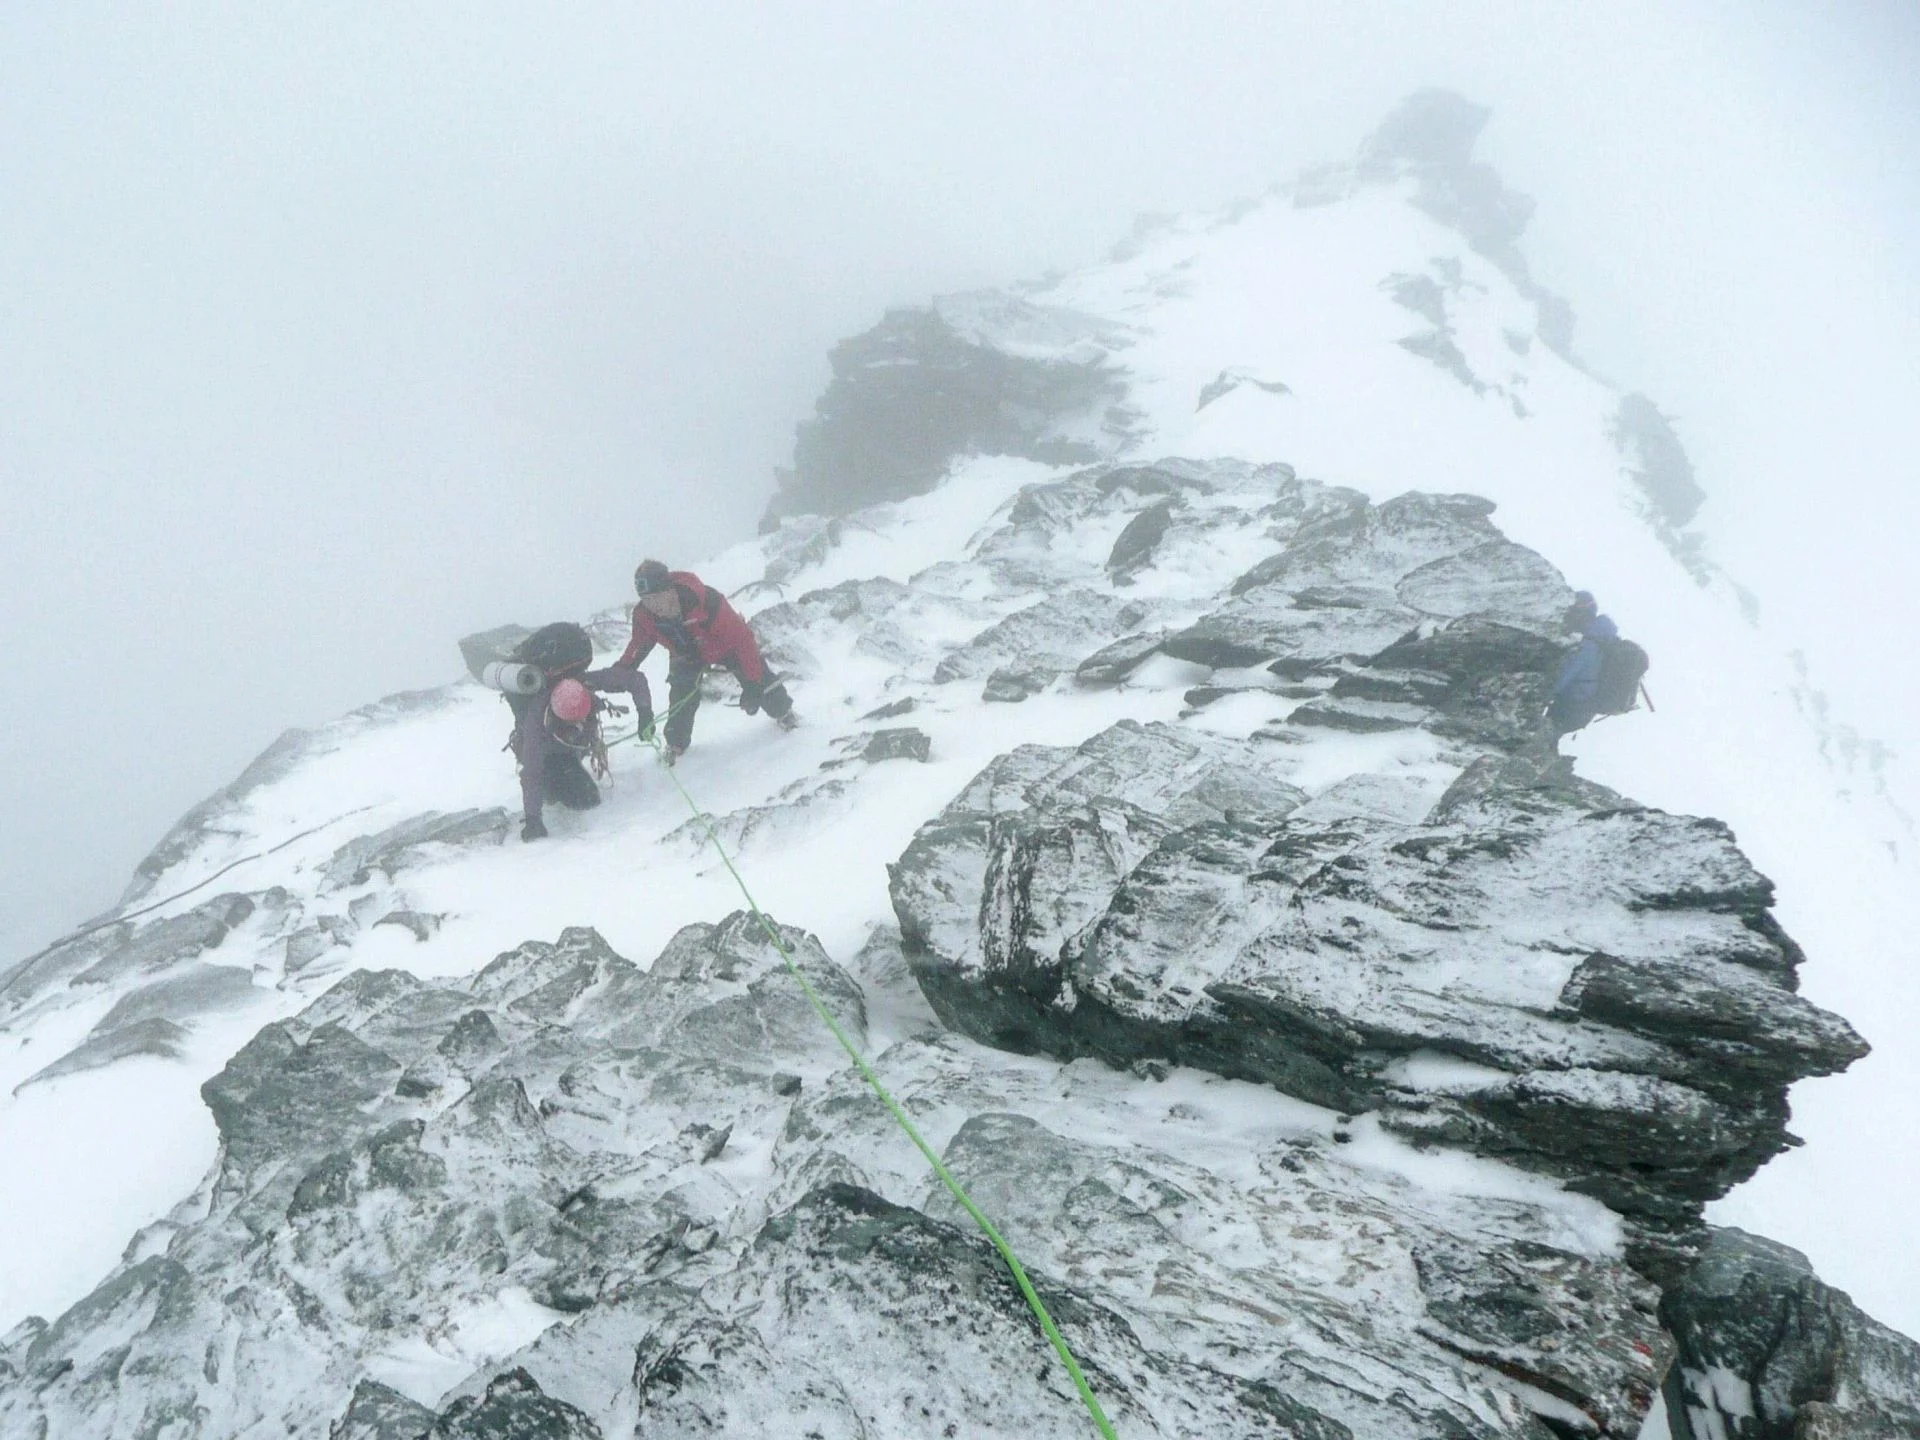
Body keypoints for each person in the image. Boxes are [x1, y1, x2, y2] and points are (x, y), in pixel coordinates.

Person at [598, 559, 796, 762]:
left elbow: (742, 641)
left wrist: (753, 685)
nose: (653, 606)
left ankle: (783, 711)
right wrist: (623, 668)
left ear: (670, 590)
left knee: (758, 677)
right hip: (685, 654)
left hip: (724, 646)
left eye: (656, 598)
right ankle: (676, 743)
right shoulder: (644, 616)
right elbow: (639, 644)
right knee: (680, 696)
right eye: (647, 600)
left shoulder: (705, 601)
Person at [504, 622, 653, 841]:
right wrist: (533, 819)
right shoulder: (536, 720)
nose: (580, 723)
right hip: (551, 756)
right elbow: (531, 771)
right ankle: (554, 785)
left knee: (582, 792)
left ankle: (566, 771)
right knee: (583, 799)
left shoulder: (585, 682)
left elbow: (633, 679)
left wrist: (645, 712)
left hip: (572, 745)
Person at [1545, 591, 1620, 740]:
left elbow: (1567, 674)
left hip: (1571, 706)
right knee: (1549, 741)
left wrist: (1543, 694)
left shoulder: (1588, 644)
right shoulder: (1607, 639)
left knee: (1543, 739)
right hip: (1587, 707)